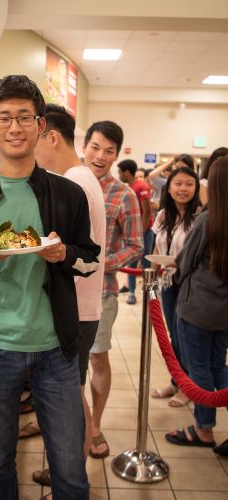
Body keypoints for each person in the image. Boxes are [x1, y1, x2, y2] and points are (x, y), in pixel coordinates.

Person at [0, 75, 100, 500]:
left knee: (70, 467)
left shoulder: (68, 195)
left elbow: (90, 261)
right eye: (4, 118)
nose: (14, 127)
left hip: (55, 349)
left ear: (40, 126)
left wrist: (62, 255)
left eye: (24, 117)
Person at [23, 103, 106, 497]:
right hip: (79, 306)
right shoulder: (82, 177)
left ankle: (69, 481)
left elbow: (79, 254)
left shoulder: (75, 182)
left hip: (76, 308)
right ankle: (65, 474)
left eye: (33, 138)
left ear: (50, 136)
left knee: (67, 403)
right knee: (68, 396)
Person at [83, 121, 143, 458]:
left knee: (97, 357)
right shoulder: (67, 183)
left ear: (117, 156)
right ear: (85, 145)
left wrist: (102, 263)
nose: (100, 155)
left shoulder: (124, 194)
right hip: (59, 292)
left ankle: (94, 425)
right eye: (95, 146)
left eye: (109, 150)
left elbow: (135, 245)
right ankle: (73, 421)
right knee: (61, 362)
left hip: (102, 293)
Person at [165, 156, 228, 453]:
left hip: (198, 307)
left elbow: (185, 262)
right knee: (219, 365)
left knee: (198, 368)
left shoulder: (208, 218)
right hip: (225, 312)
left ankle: (203, 429)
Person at [150, 167, 201, 407]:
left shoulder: (199, 217)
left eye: (189, 184)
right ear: (168, 188)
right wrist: (155, 266)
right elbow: (158, 248)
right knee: (172, 335)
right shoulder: (162, 216)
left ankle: (188, 386)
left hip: (190, 284)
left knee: (185, 337)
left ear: (196, 188)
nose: (183, 189)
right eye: (178, 184)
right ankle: (176, 381)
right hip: (168, 282)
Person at [117, 159, 154, 305]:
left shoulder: (141, 186)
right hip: (132, 233)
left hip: (144, 232)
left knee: (146, 265)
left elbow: (147, 211)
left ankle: (150, 293)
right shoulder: (128, 187)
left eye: (120, 172)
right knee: (131, 264)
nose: (119, 175)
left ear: (127, 172)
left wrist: (141, 232)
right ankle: (131, 292)